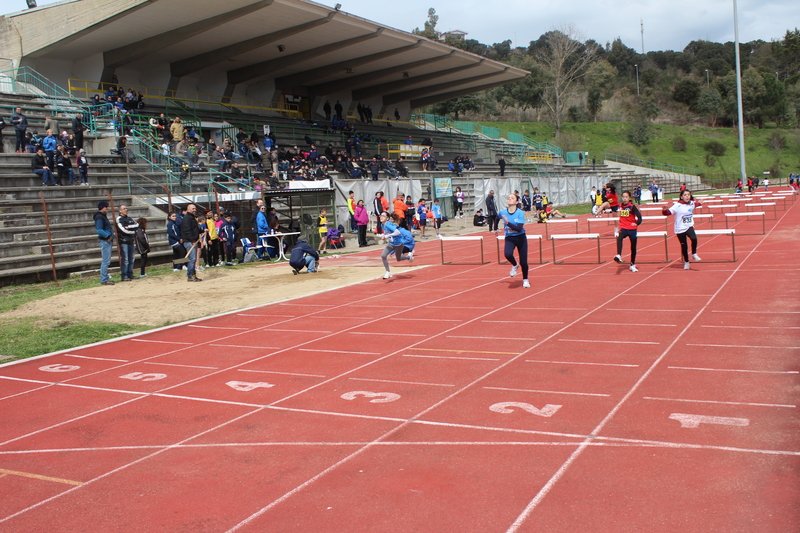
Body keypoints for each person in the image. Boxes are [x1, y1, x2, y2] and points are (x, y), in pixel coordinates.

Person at [662, 189, 703, 270]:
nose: (687, 196)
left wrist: (700, 202)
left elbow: (695, 204)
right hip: (680, 228)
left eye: (688, 194)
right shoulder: (677, 205)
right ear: (681, 197)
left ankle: (694, 254)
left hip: (689, 226)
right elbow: (668, 213)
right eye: (685, 195)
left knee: (694, 238)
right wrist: (664, 210)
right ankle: (686, 262)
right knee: (684, 246)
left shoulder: (691, 203)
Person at [499, 193, 530, 288]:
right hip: (510, 238)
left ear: (517, 202)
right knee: (507, 254)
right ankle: (515, 264)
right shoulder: (503, 212)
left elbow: (519, 228)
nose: (510, 199)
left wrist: (508, 223)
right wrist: (495, 228)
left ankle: (525, 279)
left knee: (524, 262)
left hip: (521, 238)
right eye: (508, 198)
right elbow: (497, 217)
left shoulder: (520, 213)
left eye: (512, 198)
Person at [614, 191, 643, 272]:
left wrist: (636, 223)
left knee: (633, 248)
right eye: (623, 197)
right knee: (619, 237)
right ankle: (619, 255)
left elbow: (640, 217)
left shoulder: (632, 207)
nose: (625, 198)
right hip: (624, 228)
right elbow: (612, 208)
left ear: (629, 198)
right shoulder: (620, 206)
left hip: (632, 229)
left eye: (626, 197)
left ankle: (632, 264)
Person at [379, 212, 414, 279]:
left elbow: (397, 232)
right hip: (391, 243)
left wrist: (388, 236)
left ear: (387, 218)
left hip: (399, 244)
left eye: (383, 216)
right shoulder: (382, 225)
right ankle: (388, 272)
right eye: (381, 215)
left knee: (398, 258)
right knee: (383, 255)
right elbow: (386, 233)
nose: (381, 217)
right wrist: (384, 236)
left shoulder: (389, 224)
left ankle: (408, 257)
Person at [116, 204, 139, 282]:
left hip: (130, 240)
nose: (126, 210)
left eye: (126, 208)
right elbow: (122, 230)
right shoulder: (119, 219)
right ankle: (124, 275)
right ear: (120, 210)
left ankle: (130, 274)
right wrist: (132, 232)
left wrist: (129, 227)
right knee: (125, 259)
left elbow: (137, 225)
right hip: (123, 241)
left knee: (131, 258)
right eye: (124, 208)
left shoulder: (129, 218)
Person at [94, 201, 115, 285]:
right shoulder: (99, 217)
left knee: (106, 260)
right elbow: (99, 230)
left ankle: (104, 278)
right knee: (105, 261)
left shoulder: (102, 216)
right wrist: (107, 236)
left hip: (106, 240)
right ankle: (104, 279)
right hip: (105, 240)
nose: (108, 208)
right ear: (102, 207)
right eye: (106, 207)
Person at [180, 203, 203, 281]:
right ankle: (190, 275)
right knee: (192, 259)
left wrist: (202, 230)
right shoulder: (187, 218)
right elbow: (188, 230)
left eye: (195, 208)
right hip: (189, 241)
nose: (194, 210)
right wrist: (192, 240)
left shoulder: (192, 218)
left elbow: (195, 229)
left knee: (193, 259)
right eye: (193, 209)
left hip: (193, 240)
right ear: (188, 209)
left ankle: (193, 275)